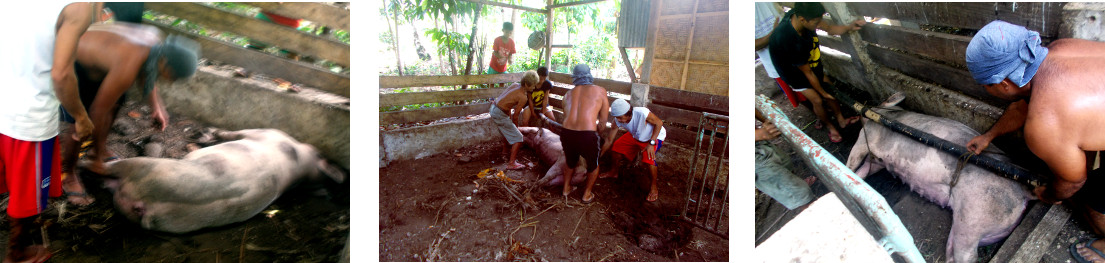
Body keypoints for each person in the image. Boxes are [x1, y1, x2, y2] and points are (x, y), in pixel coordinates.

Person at [961, 20, 1105, 263]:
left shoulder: (1045, 124)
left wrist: (1049, 193)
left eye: (984, 84)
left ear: (1004, 84)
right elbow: (1023, 107)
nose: (985, 89)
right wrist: (988, 136)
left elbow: (1073, 181)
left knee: (1095, 194)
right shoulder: (1060, 49)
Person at [0, 2, 100, 262]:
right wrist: (80, 116)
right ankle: (17, 253)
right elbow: (62, 74)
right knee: (27, 192)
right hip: (28, 117)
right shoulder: (78, 7)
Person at [59, 22, 200, 205]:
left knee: (117, 103)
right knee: (81, 121)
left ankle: (97, 152)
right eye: (173, 77)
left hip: (102, 62)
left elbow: (147, 71)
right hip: (75, 61)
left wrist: (157, 107)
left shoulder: (156, 47)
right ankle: (68, 174)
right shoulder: (129, 61)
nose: (172, 82)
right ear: (166, 64)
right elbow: (97, 111)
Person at [767, 2, 865, 143]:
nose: (820, 24)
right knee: (818, 99)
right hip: (792, 72)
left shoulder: (804, 16)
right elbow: (808, 74)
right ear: (802, 20)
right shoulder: (790, 38)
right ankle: (830, 126)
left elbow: (830, 28)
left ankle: (841, 120)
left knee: (829, 89)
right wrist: (822, 93)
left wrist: (850, 26)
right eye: (817, 22)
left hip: (808, 64)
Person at [599, 99, 667, 202]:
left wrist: (651, 143)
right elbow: (609, 140)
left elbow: (659, 123)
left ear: (629, 113)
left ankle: (653, 186)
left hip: (653, 136)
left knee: (649, 159)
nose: (619, 120)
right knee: (616, 147)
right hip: (636, 135)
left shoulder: (642, 113)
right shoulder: (617, 121)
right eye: (617, 117)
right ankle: (614, 172)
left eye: (621, 117)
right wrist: (598, 157)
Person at [560, 64, 609, 203]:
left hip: (567, 133)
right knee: (593, 165)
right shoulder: (600, 91)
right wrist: (596, 133)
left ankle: (566, 189)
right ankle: (586, 194)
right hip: (587, 135)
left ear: (574, 78)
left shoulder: (567, 94)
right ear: (589, 75)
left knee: (570, 162)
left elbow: (566, 116)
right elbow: (603, 122)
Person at [755, 110, 814, 211]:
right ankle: (808, 207)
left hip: (758, 144)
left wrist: (766, 119)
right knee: (797, 194)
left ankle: (795, 185)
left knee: (785, 163)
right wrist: (758, 134)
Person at [490, 70, 539, 170]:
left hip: (493, 108)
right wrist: (516, 128)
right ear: (526, 84)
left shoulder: (514, 85)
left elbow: (505, 102)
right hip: (499, 113)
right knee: (518, 138)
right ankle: (511, 163)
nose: (534, 88)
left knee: (508, 129)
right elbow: (516, 116)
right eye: (533, 86)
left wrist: (511, 123)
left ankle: (505, 151)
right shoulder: (523, 97)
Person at [488, 22, 516, 88]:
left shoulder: (511, 42)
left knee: (502, 82)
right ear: (503, 30)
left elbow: (510, 54)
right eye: (506, 32)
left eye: (510, 33)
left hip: (502, 67)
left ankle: (500, 97)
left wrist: (510, 60)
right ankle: (491, 97)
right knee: (492, 82)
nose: (508, 34)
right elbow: (495, 52)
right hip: (494, 65)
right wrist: (502, 56)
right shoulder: (497, 40)